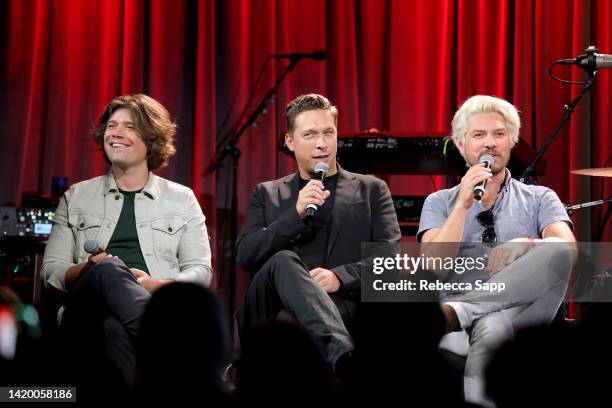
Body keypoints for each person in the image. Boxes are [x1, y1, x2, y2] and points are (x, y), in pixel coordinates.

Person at [41, 94, 213, 390]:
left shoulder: (181, 199)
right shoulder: (76, 196)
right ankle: (180, 357)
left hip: (138, 311)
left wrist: (155, 286)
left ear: (152, 139)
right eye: (111, 126)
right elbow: (51, 272)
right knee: (108, 268)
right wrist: (89, 270)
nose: (115, 133)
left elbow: (200, 272)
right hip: (85, 311)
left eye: (129, 127)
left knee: (115, 331)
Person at [418, 95, 576, 406]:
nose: (490, 143)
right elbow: (432, 267)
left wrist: (526, 244)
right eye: (479, 135)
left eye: (499, 134)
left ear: (512, 142)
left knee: (557, 249)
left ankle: (461, 311)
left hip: (527, 312)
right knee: (492, 324)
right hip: (464, 329)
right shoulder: (439, 203)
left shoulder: (540, 197)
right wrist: (462, 205)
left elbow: (567, 251)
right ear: (461, 145)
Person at [235, 93, 401, 370]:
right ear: (290, 141)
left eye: (328, 133)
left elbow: (389, 260)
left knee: (296, 326)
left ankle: (337, 353)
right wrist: (294, 215)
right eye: (310, 134)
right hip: (272, 306)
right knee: (282, 260)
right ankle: (343, 354)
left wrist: (339, 277)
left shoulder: (371, 189)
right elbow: (245, 254)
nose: (322, 144)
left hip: (342, 305)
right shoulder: (268, 193)